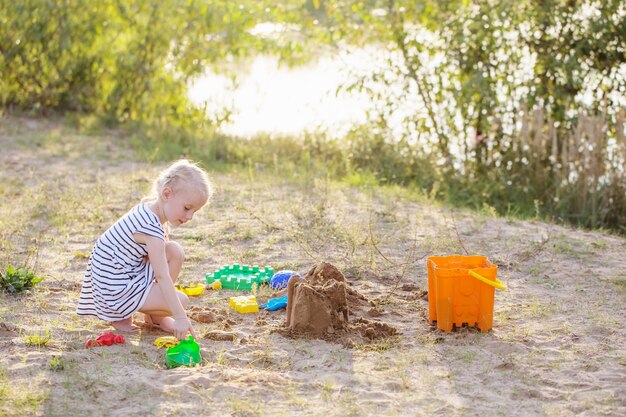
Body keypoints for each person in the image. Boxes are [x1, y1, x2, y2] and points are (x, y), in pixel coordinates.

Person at [77, 159, 213, 340]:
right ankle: (123, 316)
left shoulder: (148, 211)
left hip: (122, 277)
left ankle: (155, 316)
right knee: (182, 301)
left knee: (174, 251)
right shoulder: (150, 229)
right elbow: (162, 275)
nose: (189, 216)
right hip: (114, 292)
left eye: (194, 211)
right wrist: (180, 317)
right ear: (166, 194)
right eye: (187, 208)